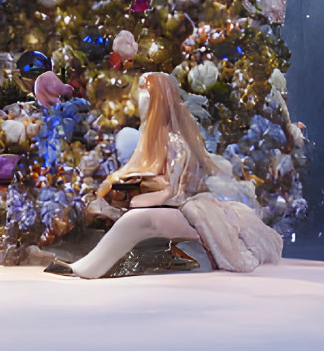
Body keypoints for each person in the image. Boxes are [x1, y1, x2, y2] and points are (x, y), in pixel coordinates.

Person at [46, 71, 284, 278]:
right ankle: (85, 265)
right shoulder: (154, 141)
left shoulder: (176, 142)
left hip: (190, 211)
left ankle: (85, 268)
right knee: (134, 220)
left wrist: (139, 200)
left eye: (147, 99)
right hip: (176, 208)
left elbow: (175, 194)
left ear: (158, 102)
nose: (141, 104)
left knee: (137, 220)